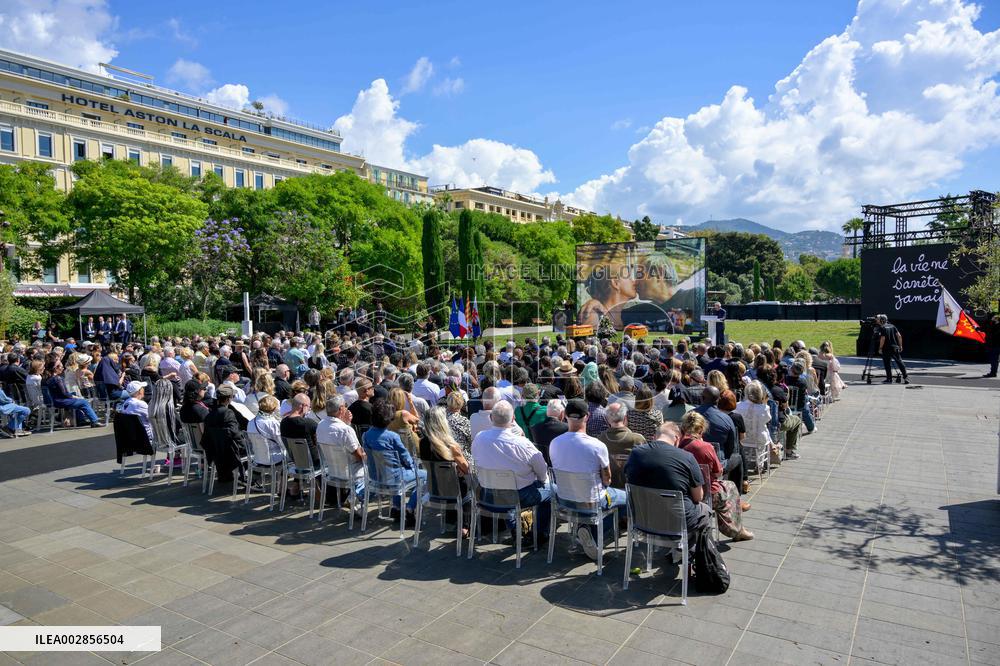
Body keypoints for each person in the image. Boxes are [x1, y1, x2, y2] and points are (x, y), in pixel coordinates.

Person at [549, 399, 627, 561]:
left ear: (565, 417)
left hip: (564, 500)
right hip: (592, 502)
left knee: (601, 495)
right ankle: (595, 533)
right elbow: (607, 479)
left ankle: (586, 528)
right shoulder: (597, 445)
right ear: (587, 417)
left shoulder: (554, 443)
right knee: (627, 498)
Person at [471, 401, 552, 541]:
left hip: (487, 496)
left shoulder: (479, 438)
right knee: (552, 490)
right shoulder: (522, 443)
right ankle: (537, 534)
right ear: (513, 419)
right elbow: (542, 471)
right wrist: (542, 480)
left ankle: (518, 528)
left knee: (509, 488)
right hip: (516, 497)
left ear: (491, 418)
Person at [625, 421, 709, 544]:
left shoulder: (635, 453)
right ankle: (690, 553)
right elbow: (698, 497)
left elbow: (627, 477)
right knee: (705, 510)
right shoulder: (687, 457)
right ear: (676, 439)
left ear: (655, 437)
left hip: (643, 519)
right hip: (678, 521)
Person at [678, 411, 753, 541]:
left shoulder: (677, 444)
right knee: (730, 487)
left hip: (684, 492)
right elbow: (718, 472)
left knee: (727, 489)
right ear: (701, 429)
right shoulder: (705, 447)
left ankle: (735, 518)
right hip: (706, 493)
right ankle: (736, 529)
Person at [363, 399, 426, 522]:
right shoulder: (392, 437)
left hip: (375, 477)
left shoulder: (366, 435)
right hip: (393, 477)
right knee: (425, 476)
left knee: (396, 470)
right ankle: (410, 507)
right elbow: (406, 458)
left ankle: (396, 507)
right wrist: (413, 466)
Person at [419, 406, 471, 533]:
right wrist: (460, 469)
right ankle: (465, 524)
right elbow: (467, 468)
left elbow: (427, 466)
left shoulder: (423, 442)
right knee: (468, 486)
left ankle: (451, 520)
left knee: (450, 481)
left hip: (435, 488)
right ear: (442, 423)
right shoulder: (452, 446)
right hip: (455, 491)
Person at [316, 395, 366, 512]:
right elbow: (359, 456)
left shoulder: (321, 425)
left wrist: (347, 423)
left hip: (332, 471)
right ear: (341, 409)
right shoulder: (345, 430)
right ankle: (355, 496)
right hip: (349, 472)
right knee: (374, 470)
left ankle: (354, 499)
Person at [694, 386, 745, 494]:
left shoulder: (690, 415)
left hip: (692, 461)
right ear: (718, 400)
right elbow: (732, 447)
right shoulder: (726, 419)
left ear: (702, 398)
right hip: (717, 464)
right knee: (738, 458)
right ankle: (737, 496)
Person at [201, 385, 245, 483]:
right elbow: (235, 434)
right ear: (228, 399)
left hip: (215, 450)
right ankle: (246, 476)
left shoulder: (210, 414)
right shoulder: (228, 413)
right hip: (230, 451)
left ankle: (226, 475)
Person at [43, 360, 101, 427]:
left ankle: (80, 419)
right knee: (84, 402)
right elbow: (64, 393)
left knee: (78, 400)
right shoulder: (58, 379)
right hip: (61, 401)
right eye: (61, 367)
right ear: (56, 368)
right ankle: (94, 421)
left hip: (56, 400)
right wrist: (73, 396)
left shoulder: (49, 378)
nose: (63, 368)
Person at [281, 393, 319, 463]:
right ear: (304, 406)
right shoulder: (309, 423)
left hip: (295, 461)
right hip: (313, 463)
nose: (309, 409)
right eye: (309, 407)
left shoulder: (283, 422)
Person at [530, 399, 568, 466]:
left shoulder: (535, 428)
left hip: (542, 466)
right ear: (562, 414)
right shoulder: (566, 429)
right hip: (561, 467)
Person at [876, 314, 909, 384]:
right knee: (900, 362)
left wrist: (880, 348)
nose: (877, 321)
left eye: (878, 320)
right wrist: (900, 346)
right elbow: (899, 336)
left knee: (887, 363)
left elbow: (883, 338)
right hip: (894, 347)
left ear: (882, 320)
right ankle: (906, 377)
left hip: (886, 349)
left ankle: (889, 379)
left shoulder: (882, 328)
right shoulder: (892, 326)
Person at [978, 313, 1000, 378]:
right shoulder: (991, 323)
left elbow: (990, 331)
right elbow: (984, 329)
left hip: (995, 344)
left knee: (994, 359)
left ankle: (993, 373)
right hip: (992, 344)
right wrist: (978, 328)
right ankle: (993, 372)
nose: (994, 318)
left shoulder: (996, 325)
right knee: (993, 359)